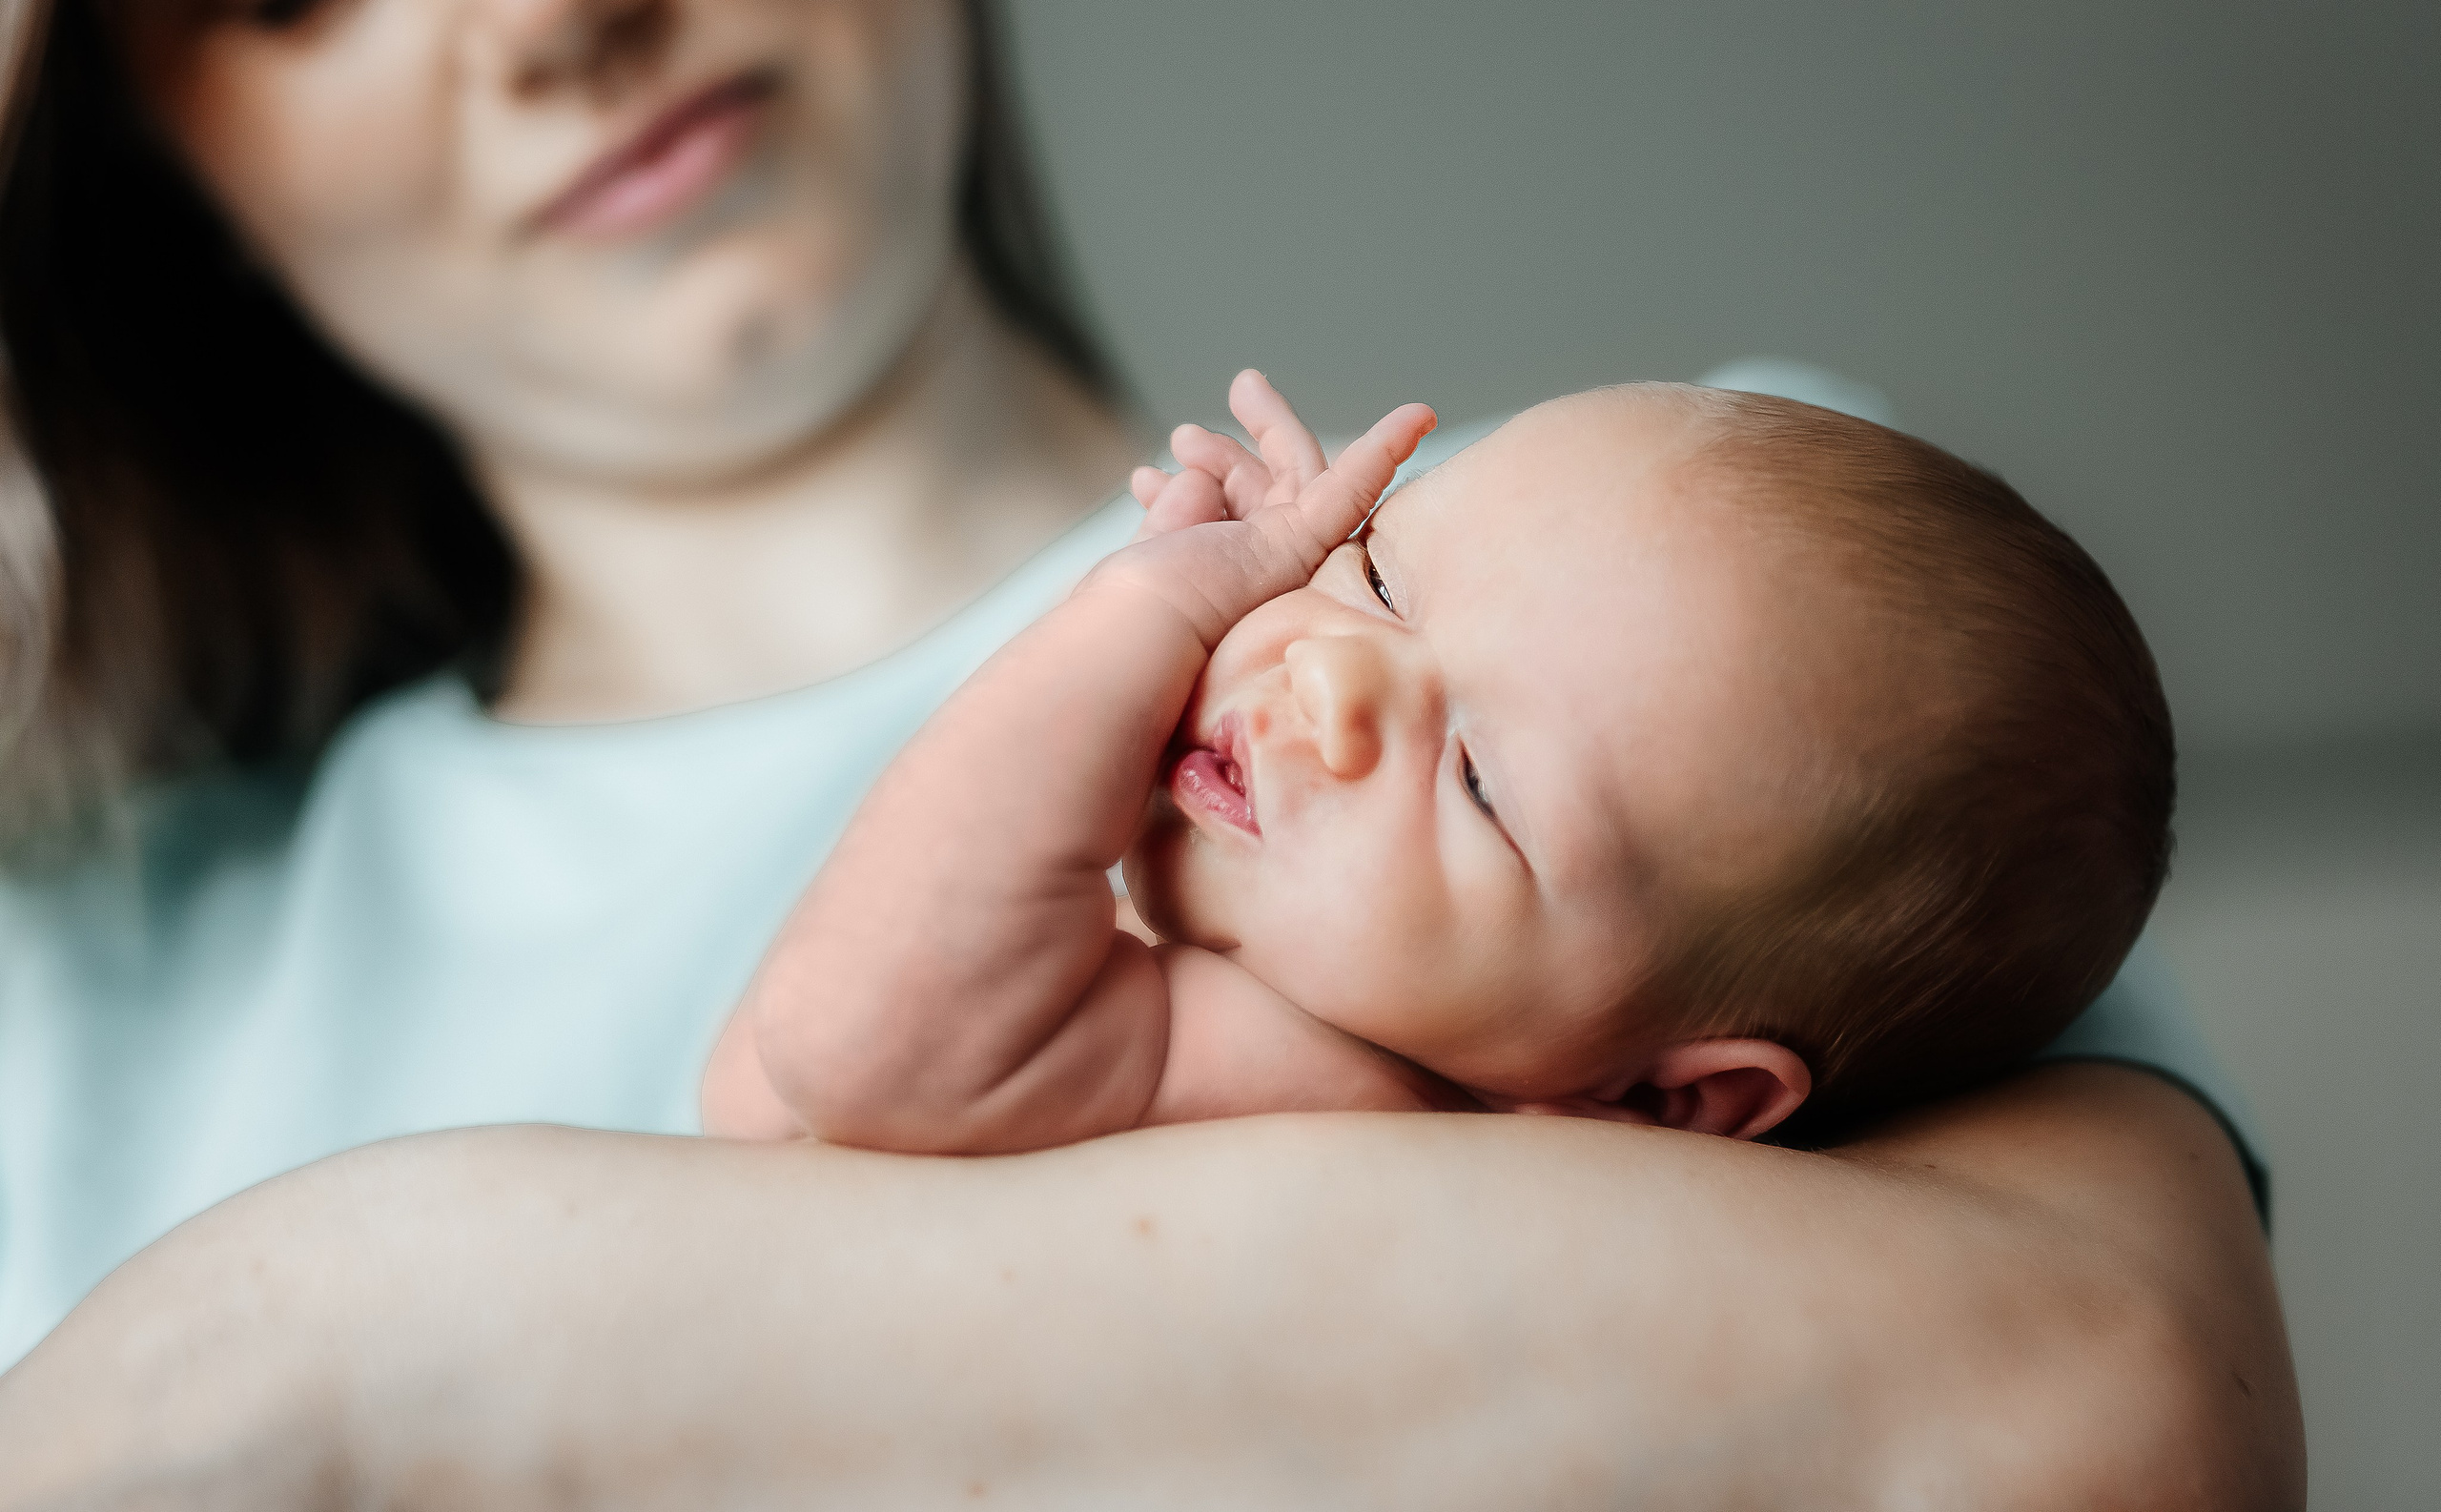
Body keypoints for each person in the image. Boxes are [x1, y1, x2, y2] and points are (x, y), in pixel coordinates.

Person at [0, 0, 2300, 1504]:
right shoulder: (75, 979)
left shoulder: (1723, 579)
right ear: (149, 153)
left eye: (1482, 768)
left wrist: (323, 1355)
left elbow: (2085, 1408)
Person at [713, 378, 2173, 1154]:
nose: (1327, 675)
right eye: (1377, 577)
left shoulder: (1349, 1102)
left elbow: (840, 1044)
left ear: (1664, 1104)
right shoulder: (1287, 1006)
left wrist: (1134, 620)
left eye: (1479, 782)